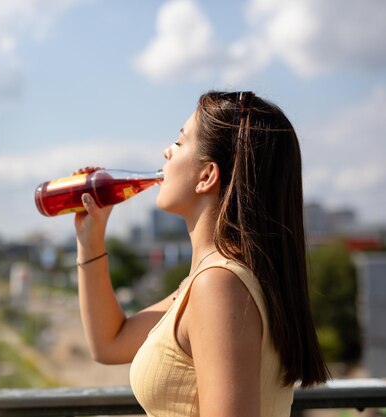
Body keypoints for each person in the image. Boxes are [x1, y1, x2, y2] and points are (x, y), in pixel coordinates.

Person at [73, 91, 330, 417]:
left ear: (207, 176)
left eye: (180, 142)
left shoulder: (220, 285)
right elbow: (110, 342)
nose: (166, 151)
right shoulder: (214, 280)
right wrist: (90, 238)